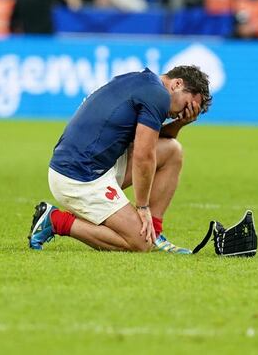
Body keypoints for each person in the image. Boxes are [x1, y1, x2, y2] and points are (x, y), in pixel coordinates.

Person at [28, 65, 212, 254]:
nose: (184, 112)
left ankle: (154, 234)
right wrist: (142, 206)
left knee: (172, 150)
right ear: (177, 84)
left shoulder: (145, 83)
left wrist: (181, 122)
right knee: (140, 244)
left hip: (93, 164)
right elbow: (143, 155)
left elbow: (156, 138)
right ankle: (56, 221)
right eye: (188, 104)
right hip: (77, 177)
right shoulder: (158, 95)